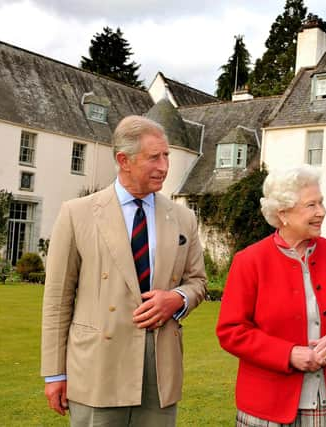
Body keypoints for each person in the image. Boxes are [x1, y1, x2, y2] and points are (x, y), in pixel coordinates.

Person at [41, 115, 207, 426]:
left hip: (159, 369)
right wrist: (54, 373)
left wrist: (178, 298)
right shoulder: (77, 214)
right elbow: (57, 299)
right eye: (154, 157)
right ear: (123, 160)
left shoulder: (184, 218)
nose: (164, 166)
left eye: (167, 155)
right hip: (97, 369)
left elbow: (198, 281)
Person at [216, 166, 326, 426]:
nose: (321, 212)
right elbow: (231, 331)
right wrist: (288, 354)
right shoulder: (249, 261)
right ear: (283, 214)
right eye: (311, 205)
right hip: (266, 410)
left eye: (321, 202)